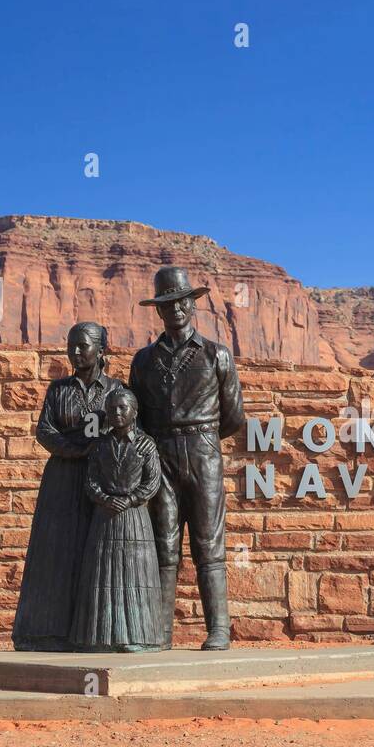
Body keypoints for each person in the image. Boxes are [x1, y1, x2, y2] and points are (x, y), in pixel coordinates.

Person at [130, 266, 245, 650]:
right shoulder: (143, 361)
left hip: (203, 452)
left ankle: (219, 630)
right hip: (159, 456)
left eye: (181, 301)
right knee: (163, 544)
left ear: (192, 305)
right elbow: (138, 416)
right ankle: (160, 632)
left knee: (208, 543)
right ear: (159, 311)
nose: (175, 308)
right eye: (167, 303)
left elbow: (233, 417)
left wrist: (203, 440)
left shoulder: (216, 354)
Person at [11, 322, 122, 651]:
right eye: (71, 345)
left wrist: (99, 453)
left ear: (101, 350)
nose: (75, 352)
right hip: (62, 479)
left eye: (82, 346)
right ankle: (44, 633)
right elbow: (45, 431)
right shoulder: (58, 391)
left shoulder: (116, 390)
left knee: (96, 553)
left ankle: (93, 634)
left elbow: (125, 430)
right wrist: (75, 450)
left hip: (100, 479)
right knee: (54, 553)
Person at [70, 387, 166, 652]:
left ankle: (138, 636)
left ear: (134, 412)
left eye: (122, 408)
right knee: (103, 575)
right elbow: (90, 482)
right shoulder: (100, 445)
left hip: (135, 518)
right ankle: (99, 637)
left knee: (135, 576)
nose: (117, 412)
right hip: (105, 518)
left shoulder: (146, 444)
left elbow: (153, 480)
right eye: (112, 408)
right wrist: (104, 499)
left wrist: (132, 499)